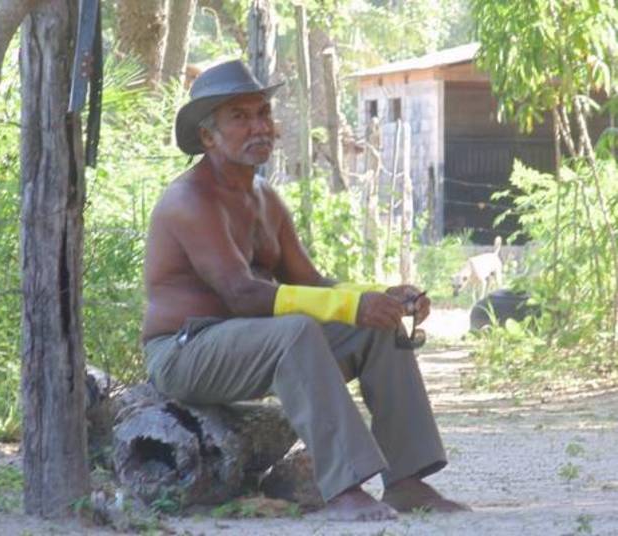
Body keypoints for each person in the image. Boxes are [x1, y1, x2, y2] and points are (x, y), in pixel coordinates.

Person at [141, 59, 467, 521]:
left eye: (264, 114)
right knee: (295, 330)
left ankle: (407, 480)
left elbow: (310, 284)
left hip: (252, 344)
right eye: (241, 118)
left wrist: (384, 297)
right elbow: (243, 295)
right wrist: (350, 305)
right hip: (183, 352)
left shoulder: (264, 197)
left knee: (378, 327)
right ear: (208, 137)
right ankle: (344, 489)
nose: (260, 127)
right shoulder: (189, 200)